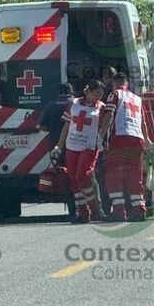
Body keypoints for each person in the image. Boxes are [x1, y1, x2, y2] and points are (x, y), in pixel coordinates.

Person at [100, 73, 151, 222]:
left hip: (120, 139)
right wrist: (146, 139)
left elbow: (109, 116)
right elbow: (143, 123)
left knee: (114, 176)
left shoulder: (115, 94)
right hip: (137, 140)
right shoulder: (137, 99)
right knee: (135, 177)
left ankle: (118, 212)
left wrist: (101, 135)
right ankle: (139, 210)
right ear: (127, 83)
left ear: (114, 83)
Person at [53, 80, 105, 223]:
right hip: (72, 145)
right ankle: (83, 213)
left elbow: (106, 125)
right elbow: (66, 126)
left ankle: (95, 209)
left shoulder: (102, 107)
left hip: (89, 147)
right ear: (87, 91)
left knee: (82, 175)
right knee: (73, 178)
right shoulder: (73, 104)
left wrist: (102, 139)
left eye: (101, 94)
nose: (98, 97)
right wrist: (59, 146)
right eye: (96, 93)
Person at [39, 83, 74, 153]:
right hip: (76, 144)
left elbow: (42, 126)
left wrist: (54, 128)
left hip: (56, 143)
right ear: (72, 92)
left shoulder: (50, 106)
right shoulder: (77, 104)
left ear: (57, 93)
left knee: (59, 163)